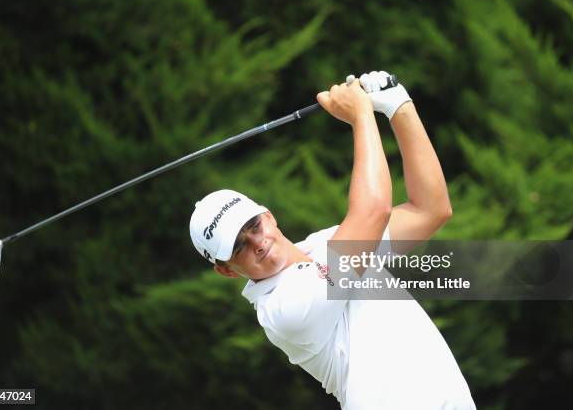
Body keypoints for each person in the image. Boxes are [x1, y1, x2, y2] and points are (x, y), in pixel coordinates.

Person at [189, 71, 476, 409]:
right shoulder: (283, 309)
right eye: (237, 246)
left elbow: (430, 210)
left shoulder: (324, 243)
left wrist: (398, 104)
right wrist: (361, 116)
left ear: (268, 215)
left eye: (253, 225)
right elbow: (373, 210)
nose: (257, 242)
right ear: (226, 270)